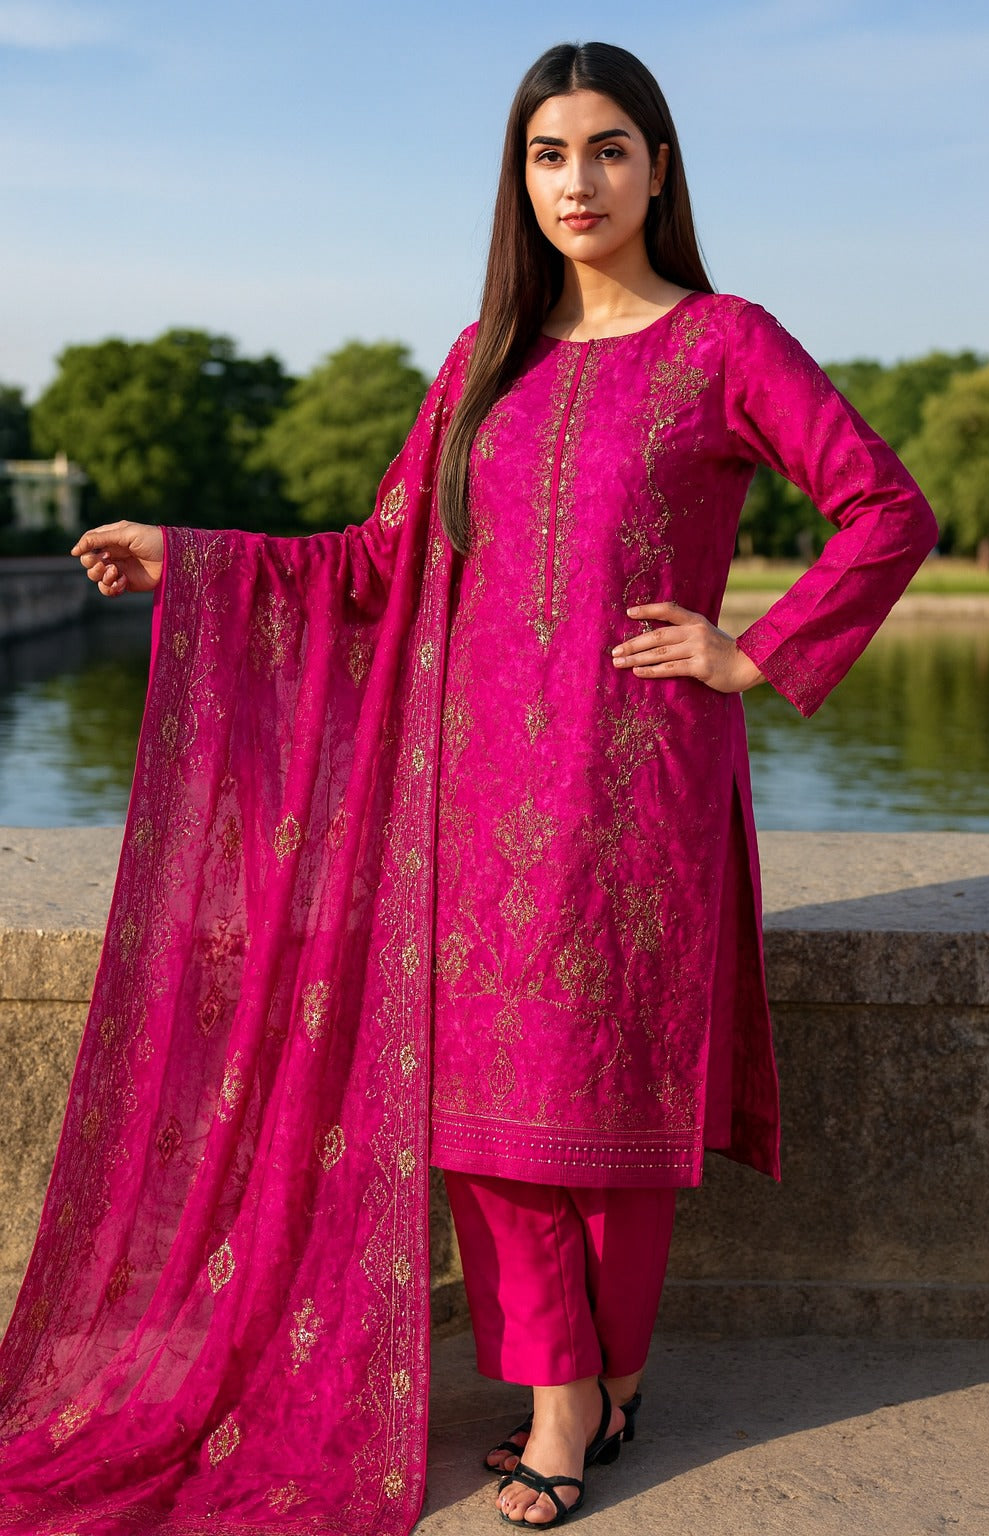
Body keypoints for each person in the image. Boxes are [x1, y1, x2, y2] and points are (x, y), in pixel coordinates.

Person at [0, 39, 937, 1536]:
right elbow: (378, 564)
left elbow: (890, 505)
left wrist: (754, 649)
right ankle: (567, 1395)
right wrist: (196, 555)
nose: (581, 180)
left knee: (609, 1108)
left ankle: (607, 1375)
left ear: (661, 166)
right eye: (551, 154)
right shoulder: (479, 362)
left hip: (640, 794)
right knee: (489, 1122)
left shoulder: (725, 344)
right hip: (471, 789)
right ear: (521, 179)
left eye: (610, 149)